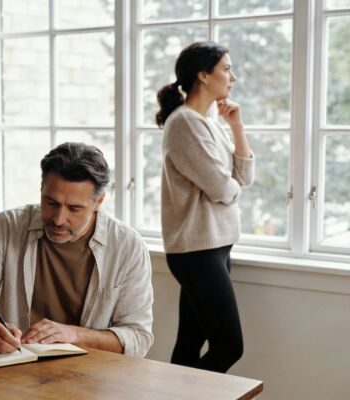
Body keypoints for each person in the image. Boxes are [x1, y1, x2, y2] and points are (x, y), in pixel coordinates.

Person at [0, 142, 154, 358]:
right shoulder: (7, 227)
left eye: (74, 208)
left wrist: (74, 335)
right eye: (51, 202)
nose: (58, 219)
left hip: (93, 378)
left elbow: (138, 337)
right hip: (16, 370)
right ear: (41, 189)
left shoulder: (128, 247)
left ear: (98, 202)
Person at [156, 41, 255, 373]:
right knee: (229, 346)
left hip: (215, 246)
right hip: (196, 251)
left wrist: (236, 126)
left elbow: (244, 176)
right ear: (203, 74)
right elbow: (223, 190)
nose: (233, 77)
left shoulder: (209, 122)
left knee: (188, 344)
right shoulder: (184, 123)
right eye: (226, 68)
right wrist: (231, 184)